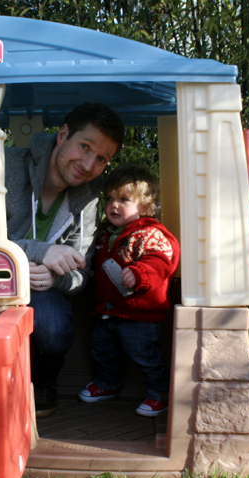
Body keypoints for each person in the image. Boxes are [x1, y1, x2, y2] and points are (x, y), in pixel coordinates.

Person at [0, 102, 125, 417]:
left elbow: (82, 272)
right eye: (85, 146)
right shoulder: (4, 165)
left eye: (102, 158)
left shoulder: (91, 195)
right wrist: (39, 252)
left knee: (52, 328)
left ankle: (43, 382)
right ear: (63, 135)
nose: (89, 164)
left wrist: (56, 278)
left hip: (38, 289)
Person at [78, 164, 180, 417]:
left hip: (140, 314)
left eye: (124, 199)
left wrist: (139, 273)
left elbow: (161, 261)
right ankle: (107, 384)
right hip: (108, 309)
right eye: (109, 198)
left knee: (145, 355)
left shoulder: (150, 234)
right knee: (102, 350)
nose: (114, 205)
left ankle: (159, 394)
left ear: (144, 206)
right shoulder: (105, 232)